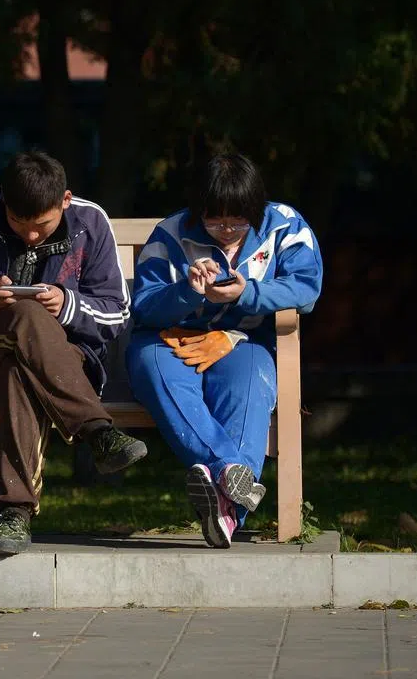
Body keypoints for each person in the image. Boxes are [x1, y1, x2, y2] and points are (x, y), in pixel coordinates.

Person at [0, 150, 146, 555]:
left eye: (41, 225)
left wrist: (69, 304)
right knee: (23, 318)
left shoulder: (90, 221)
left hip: (64, 364)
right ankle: (97, 430)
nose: (30, 236)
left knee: (18, 371)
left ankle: (14, 514)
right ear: (2, 203)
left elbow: (117, 313)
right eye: (18, 224)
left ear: (65, 200)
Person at [125, 153, 323, 548]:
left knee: (246, 389)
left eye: (238, 220)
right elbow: (144, 305)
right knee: (153, 366)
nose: (226, 229)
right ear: (199, 211)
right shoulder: (171, 233)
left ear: (256, 209)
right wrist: (187, 290)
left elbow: (306, 287)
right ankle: (231, 481)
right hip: (171, 338)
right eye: (214, 220)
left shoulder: (284, 224)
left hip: (244, 339)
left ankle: (225, 505)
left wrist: (247, 292)